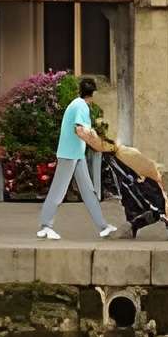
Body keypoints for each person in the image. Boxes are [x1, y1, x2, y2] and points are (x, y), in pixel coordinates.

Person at [36, 76, 117, 242]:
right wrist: (96, 143)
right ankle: (46, 226)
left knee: (89, 192)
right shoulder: (81, 106)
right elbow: (79, 130)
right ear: (92, 93)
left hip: (76, 155)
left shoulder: (77, 104)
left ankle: (103, 226)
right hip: (69, 154)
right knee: (58, 191)